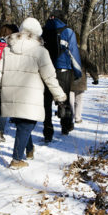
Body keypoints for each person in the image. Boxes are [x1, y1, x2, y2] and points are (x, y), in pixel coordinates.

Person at [0, 18, 67, 169]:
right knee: (26, 125)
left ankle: (29, 149)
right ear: (37, 33)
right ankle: (16, 160)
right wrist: (60, 96)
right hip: (29, 96)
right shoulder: (41, 51)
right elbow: (49, 77)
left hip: (11, 94)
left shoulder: (7, 50)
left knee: (22, 123)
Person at [41, 10, 82, 142]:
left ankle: (47, 130)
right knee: (63, 99)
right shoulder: (68, 32)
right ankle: (65, 126)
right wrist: (77, 72)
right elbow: (73, 53)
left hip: (46, 69)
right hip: (63, 69)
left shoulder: (42, 32)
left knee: (46, 101)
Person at [69, 49, 99, 124]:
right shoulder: (82, 52)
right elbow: (89, 65)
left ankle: (70, 118)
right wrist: (95, 77)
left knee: (70, 101)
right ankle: (78, 118)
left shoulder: (66, 50)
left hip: (68, 80)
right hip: (80, 80)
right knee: (79, 100)